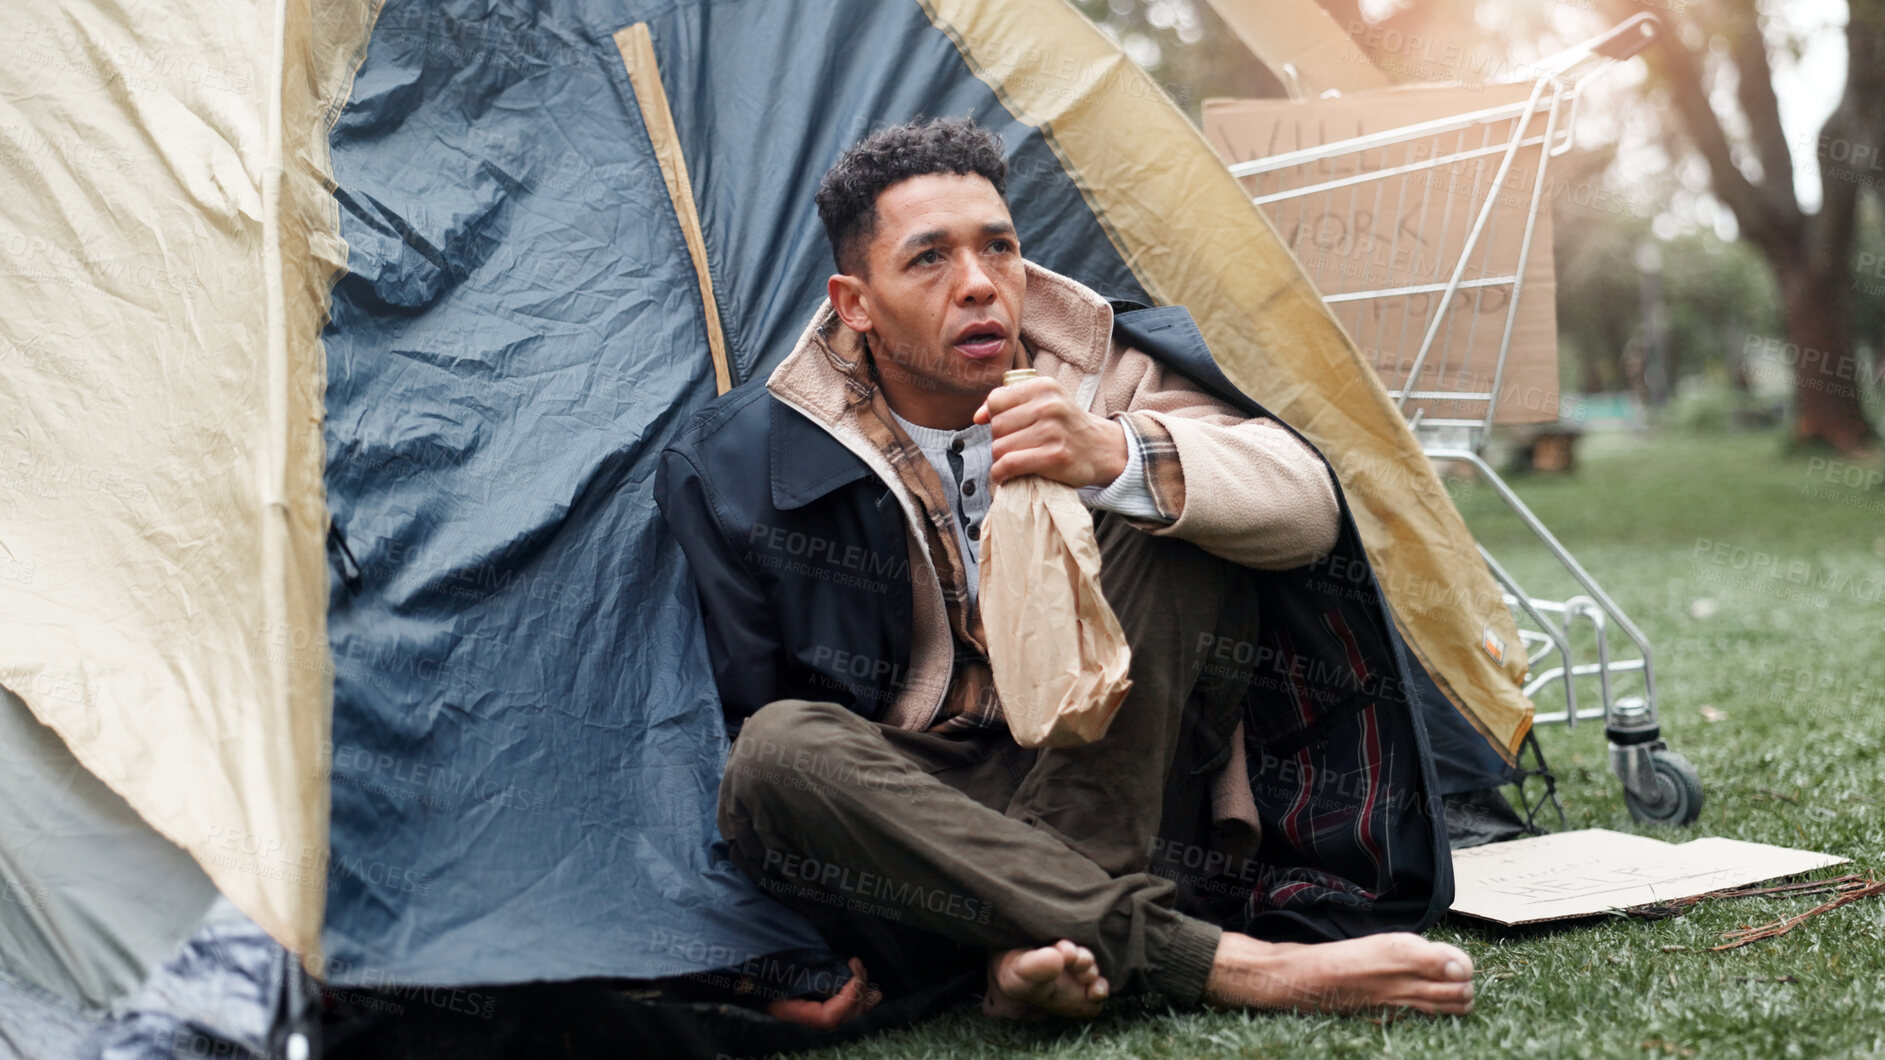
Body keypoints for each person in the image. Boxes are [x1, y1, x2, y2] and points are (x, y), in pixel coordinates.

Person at [655, 117, 1474, 1029]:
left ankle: (1034, 941)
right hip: (924, 816)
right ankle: (1220, 965)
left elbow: (1307, 506)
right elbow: (716, 729)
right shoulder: (737, 462)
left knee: (1171, 513)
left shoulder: (1110, 366)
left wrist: (1116, 455)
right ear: (855, 302)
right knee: (778, 751)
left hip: (1128, 778)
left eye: (997, 248)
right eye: (928, 260)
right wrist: (766, 961)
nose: (978, 285)